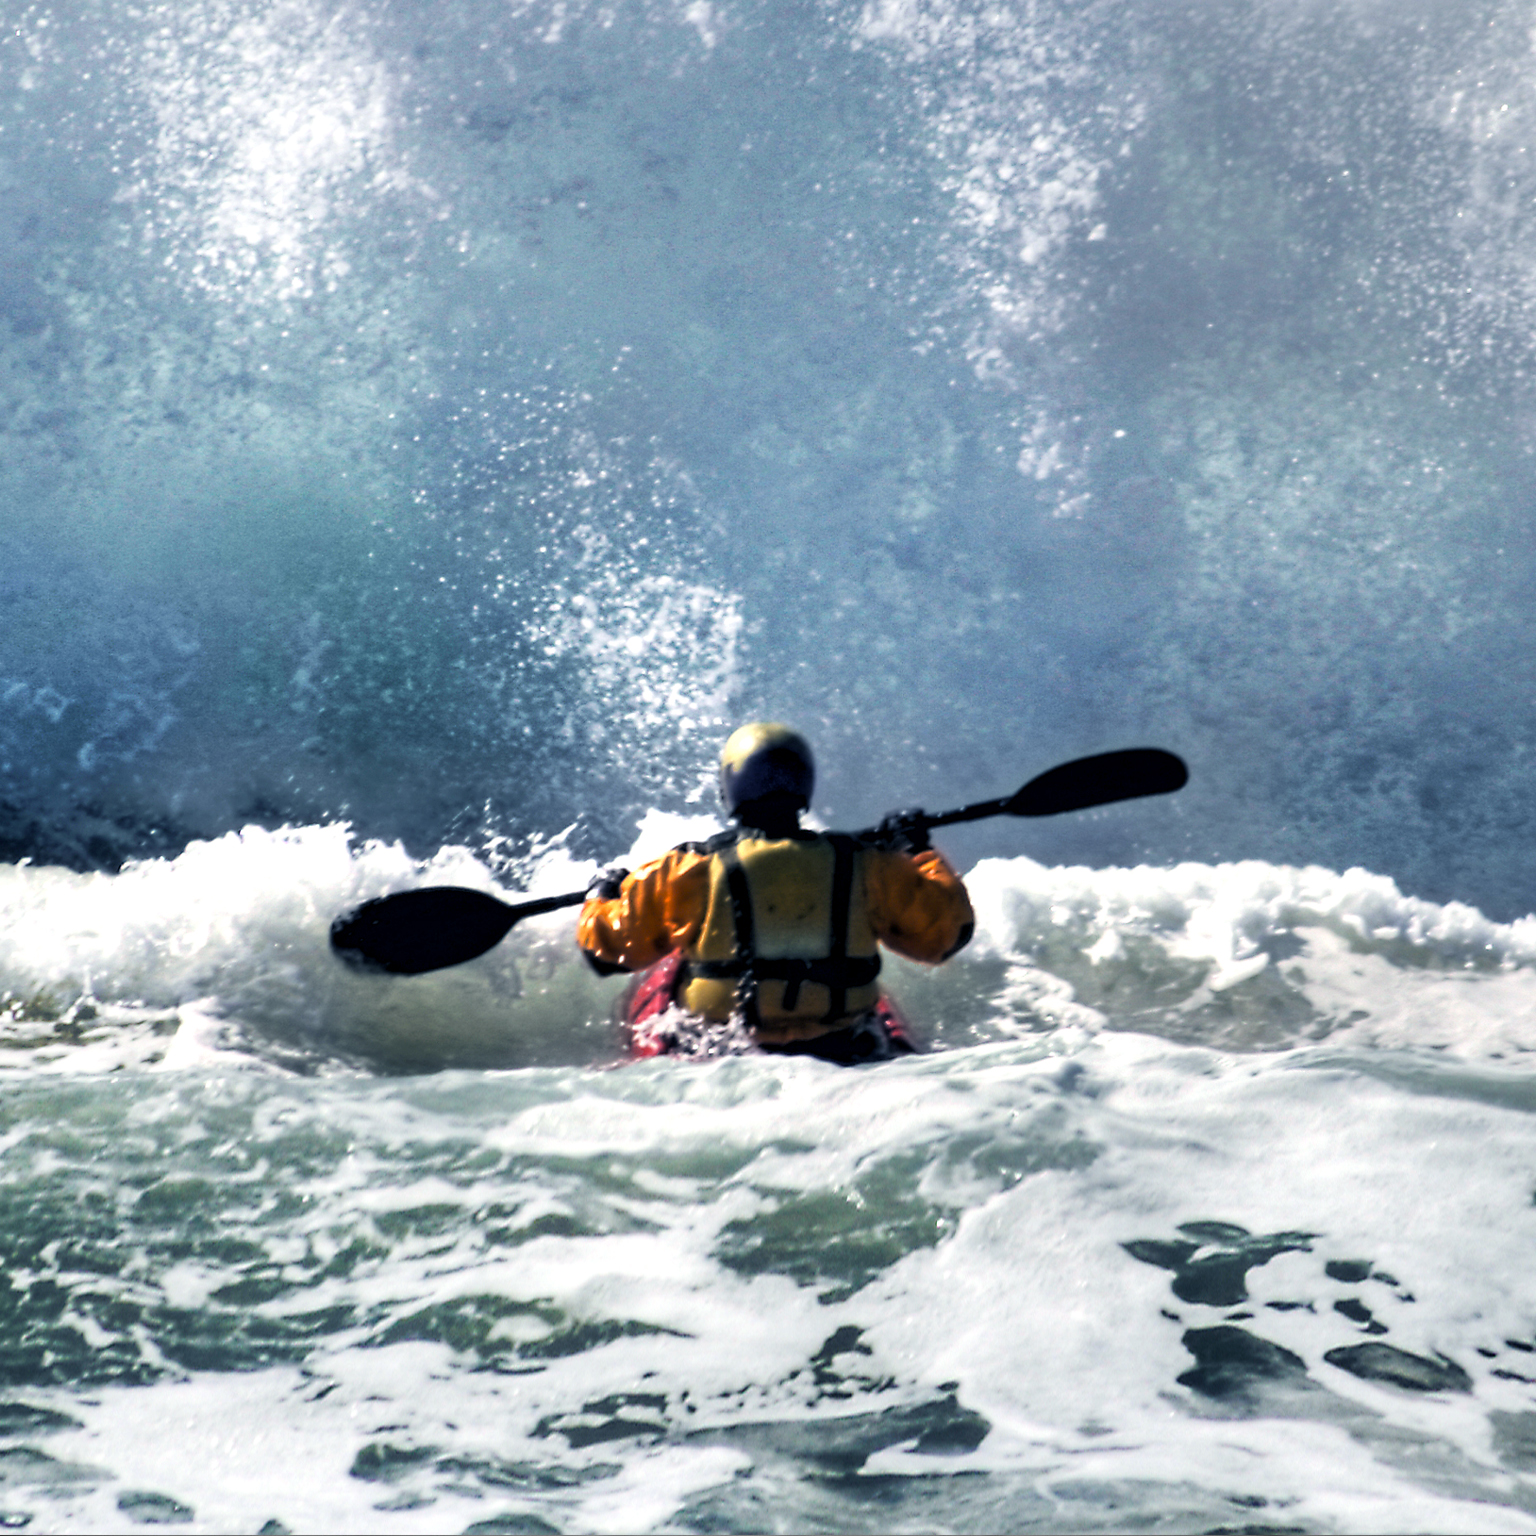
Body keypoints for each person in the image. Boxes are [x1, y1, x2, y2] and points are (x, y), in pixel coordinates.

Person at [576, 722, 974, 1064]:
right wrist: (915, 849)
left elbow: (607, 953)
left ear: (731, 786)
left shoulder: (689, 869)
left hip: (723, 1053)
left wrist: (602, 892)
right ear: (805, 784)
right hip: (843, 1050)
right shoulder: (867, 863)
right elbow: (947, 934)